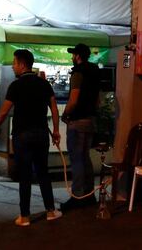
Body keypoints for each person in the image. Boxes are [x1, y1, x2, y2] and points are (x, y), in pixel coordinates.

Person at [0, 49, 62, 226]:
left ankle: (24, 216)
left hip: (22, 134)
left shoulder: (16, 86)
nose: (13, 67)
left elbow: (4, 111)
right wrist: (55, 130)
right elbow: (54, 109)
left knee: (25, 174)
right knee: (43, 172)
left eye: (15, 63)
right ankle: (50, 211)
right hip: (41, 133)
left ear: (23, 65)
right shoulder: (44, 84)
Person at [59, 43, 100, 211]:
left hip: (77, 122)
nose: (72, 57)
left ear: (77, 56)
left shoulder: (78, 73)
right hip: (90, 121)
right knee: (85, 159)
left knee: (77, 160)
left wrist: (65, 114)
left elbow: (74, 99)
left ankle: (77, 197)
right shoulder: (94, 71)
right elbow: (97, 100)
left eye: (73, 54)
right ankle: (89, 196)